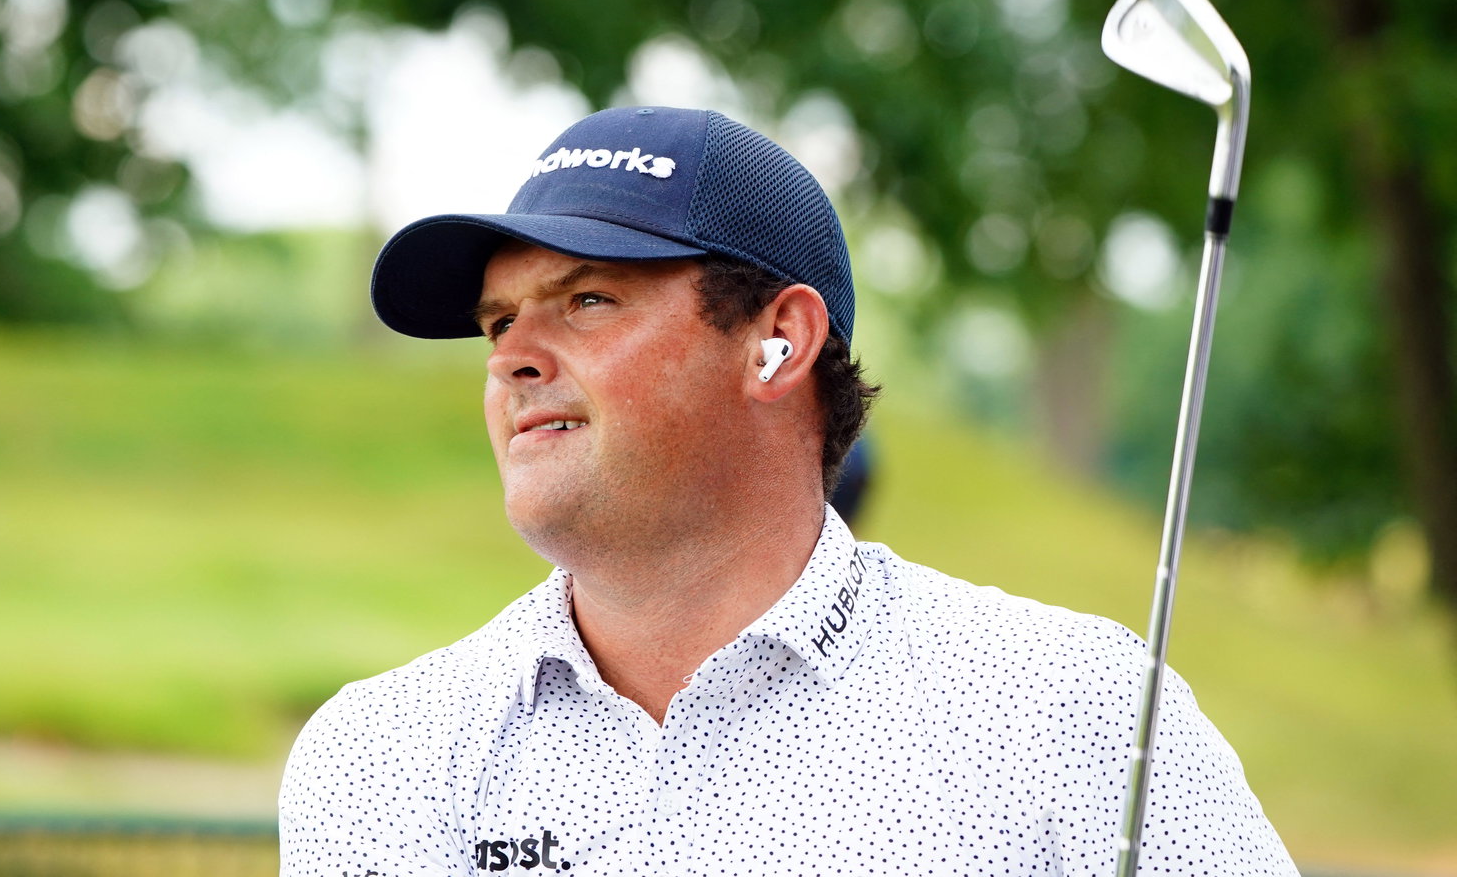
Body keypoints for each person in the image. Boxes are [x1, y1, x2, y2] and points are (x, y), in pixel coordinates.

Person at [279, 106, 1297, 876]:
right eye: (499, 323)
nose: (515, 359)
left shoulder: (1073, 714)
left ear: (778, 343)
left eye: (587, 301)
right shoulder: (376, 757)